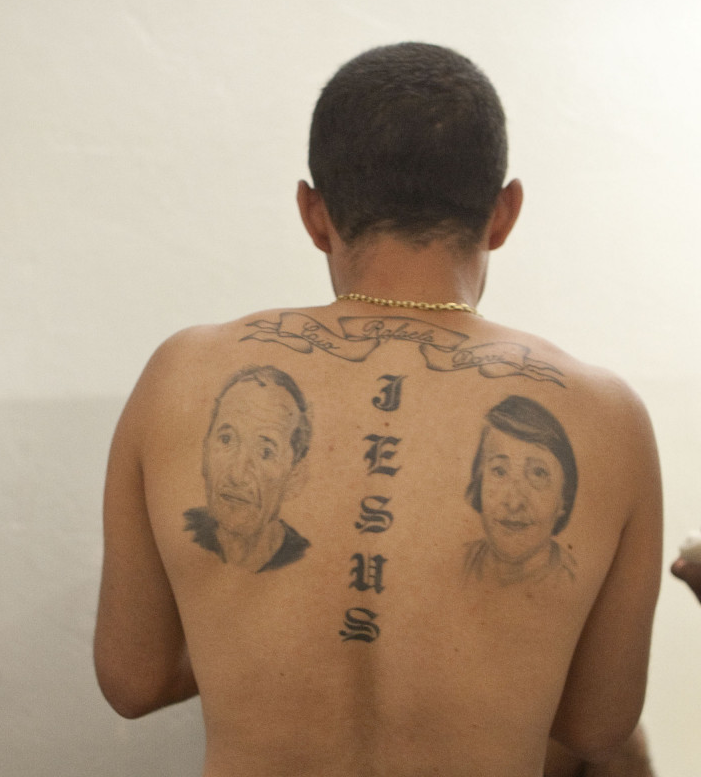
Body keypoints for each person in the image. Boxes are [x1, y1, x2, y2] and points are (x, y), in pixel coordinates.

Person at [94, 42, 662, 776]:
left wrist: (255, 627)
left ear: (314, 212)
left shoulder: (182, 372)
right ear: (503, 212)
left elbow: (132, 679)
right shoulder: (605, 413)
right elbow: (597, 723)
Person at [184, 365, 312, 572]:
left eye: (266, 452)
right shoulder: (178, 533)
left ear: (295, 476)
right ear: (205, 450)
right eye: (226, 440)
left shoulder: (306, 561)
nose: (237, 475)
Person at [463, 395, 578, 586]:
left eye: (538, 474)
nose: (514, 503)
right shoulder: (455, 563)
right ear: (479, 482)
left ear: (564, 497)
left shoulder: (576, 582)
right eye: (499, 471)